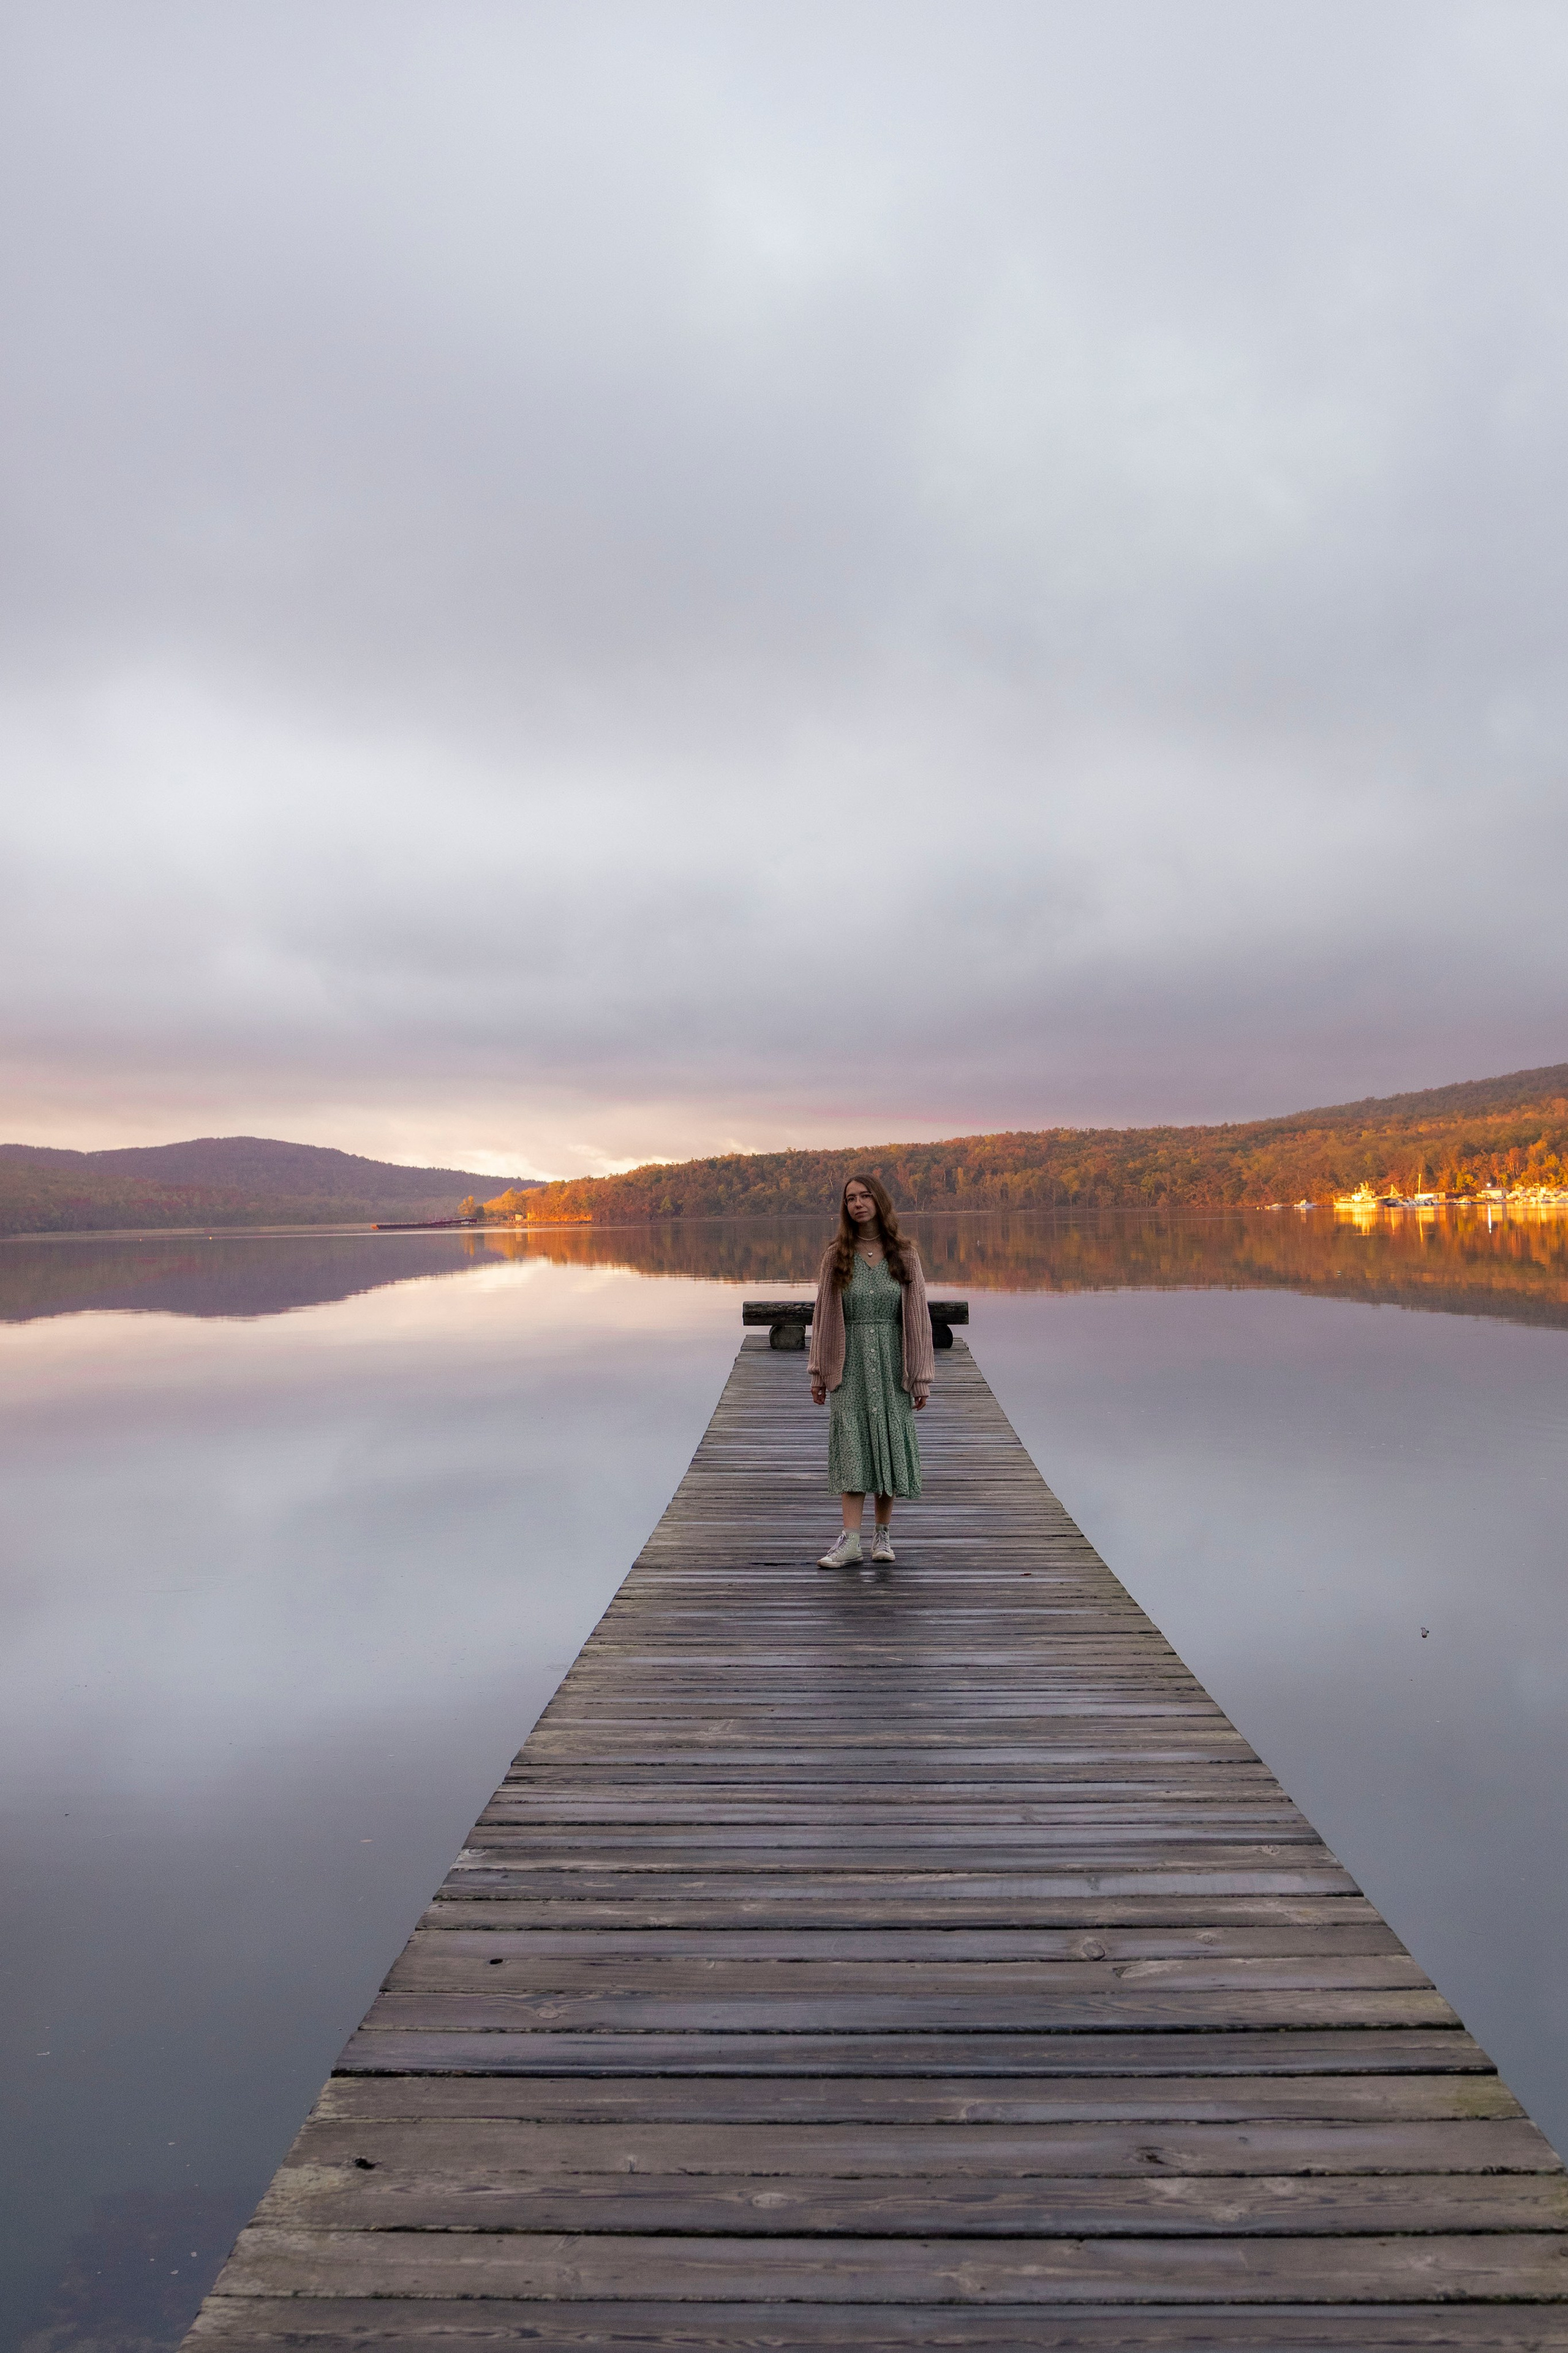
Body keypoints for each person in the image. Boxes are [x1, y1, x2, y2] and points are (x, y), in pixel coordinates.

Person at [809, 1173, 933, 1566]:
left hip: (893, 1363)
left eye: (864, 1197)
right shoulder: (836, 1256)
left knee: (889, 1442)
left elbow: (917, 1318)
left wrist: (920, 1376)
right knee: (853, 1447)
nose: (857, 1204)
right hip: (851, 1363)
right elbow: (825, 1317)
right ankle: (850, 1541)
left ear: (879, 1201)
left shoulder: (905, 1254)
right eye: (850, 1199)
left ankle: (883, 1537)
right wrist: (819, 1373)